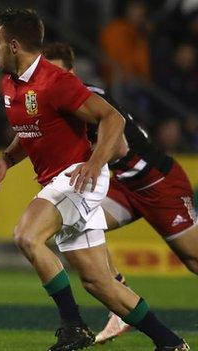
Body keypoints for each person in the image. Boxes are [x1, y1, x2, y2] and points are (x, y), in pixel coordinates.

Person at [0, 8, 189, 351]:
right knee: (99, 283)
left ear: (14, 44)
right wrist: (6, 160)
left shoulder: (55, 81)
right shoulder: (10, 83)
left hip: (78, 177)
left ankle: (72, 326)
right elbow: (34, 129)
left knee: (26, 235)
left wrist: (95, 162)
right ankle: (170, 343)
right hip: (60, 181)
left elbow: (112, 119)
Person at [43, 42, 198, 345]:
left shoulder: (91, 97)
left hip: (158, 182)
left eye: (57, 73)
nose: (52, 81)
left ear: (72, 73)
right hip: (123, 187)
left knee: (194, 259)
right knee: (76, 225)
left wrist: (90, 162)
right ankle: (118, 295)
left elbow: (119, 145)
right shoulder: (54, 105)